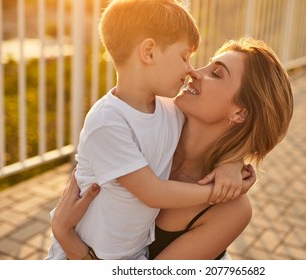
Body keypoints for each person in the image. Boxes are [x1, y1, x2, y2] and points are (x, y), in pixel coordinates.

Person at [46, 0, 254, 260]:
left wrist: (231, 164)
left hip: (131, 257)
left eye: (216, 73)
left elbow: (220, 139)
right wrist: (215, 192)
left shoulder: (168, 110)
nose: (191, 70)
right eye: (184, 57)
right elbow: (153, 192)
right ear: (149, 52)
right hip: (76, 256)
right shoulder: (107, 120)